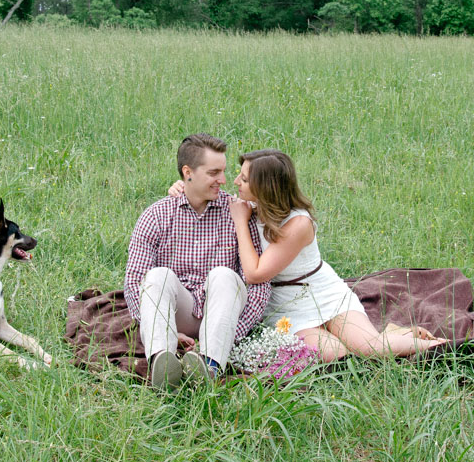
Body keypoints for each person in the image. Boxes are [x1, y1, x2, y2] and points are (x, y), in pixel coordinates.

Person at [171, 149, 447, 361]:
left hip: (322, 292)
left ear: (265, 187)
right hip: (283, 306)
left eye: (243, 178)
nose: (235, 181)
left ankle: (442, 347)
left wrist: (241, 223)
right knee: (337, 354)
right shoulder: (246, 205)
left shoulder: (298, 223)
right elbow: (201, 192)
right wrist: (180, 186)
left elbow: (255, 273)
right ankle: (388, 333)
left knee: (370, 349)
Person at [124, 134, 271, 389]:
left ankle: (209, 365)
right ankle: (162, 361)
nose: (224, 181)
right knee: (157, 276)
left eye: (224, 172)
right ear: (187, 172)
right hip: (176, 312)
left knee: (225, 276)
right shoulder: (156, 215)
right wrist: (167, 331)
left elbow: (258, 285)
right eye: (214, 172)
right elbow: (135, 281)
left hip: (221, 314)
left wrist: (233, 333)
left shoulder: (237, 211)